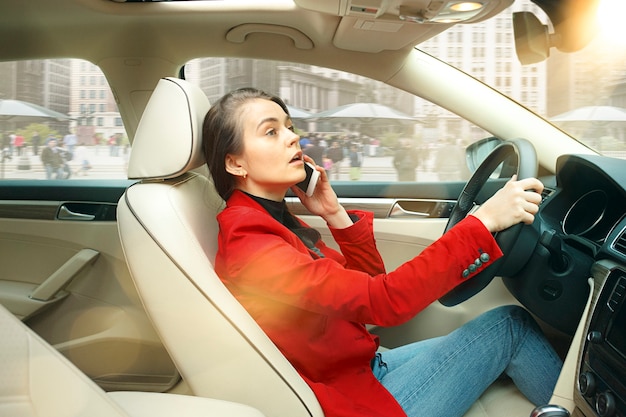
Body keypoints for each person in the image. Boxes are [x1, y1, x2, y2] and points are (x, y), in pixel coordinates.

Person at [202, 87, 562, 417]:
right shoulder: (250, 239)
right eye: (271, 131)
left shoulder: (273, 219)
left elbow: (367, 282)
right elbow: (383, 301)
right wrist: (482, 223)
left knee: (509, 325)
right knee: (511, 328)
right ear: (236, 163)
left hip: (361, 370)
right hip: (356, 401)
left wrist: (333, 213)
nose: (293, 136)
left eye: (289, 126)